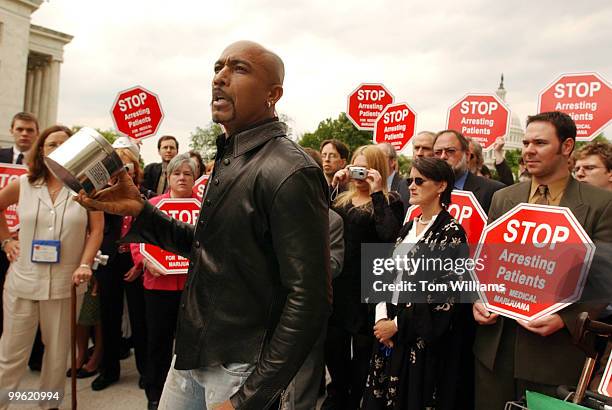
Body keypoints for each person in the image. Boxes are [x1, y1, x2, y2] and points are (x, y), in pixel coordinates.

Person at [75, 40, 330, 410]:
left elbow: (310, 299)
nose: (220, 78)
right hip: (192, 353)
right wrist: (143, 211)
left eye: (239, 69)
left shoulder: (290, 170)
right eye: (217, 68)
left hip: (241, 368)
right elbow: (210, 248)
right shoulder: (231, 155)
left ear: (273, 94)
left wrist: (249, 398)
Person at [472, 111, 612, 409]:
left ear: (567, 147)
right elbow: (487, 261)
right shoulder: (504, 198)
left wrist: (566, 318)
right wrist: (478, 298)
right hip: (494, 350)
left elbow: (604, 277)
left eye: (539, 142)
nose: (528, 151)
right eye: (525, 143)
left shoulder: (601, 204)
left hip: (553, 356)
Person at [0, 125, 104, 409]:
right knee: (11, 356)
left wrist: (85, 263)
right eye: (51, 144)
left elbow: (96, 231)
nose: (58, 149)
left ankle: (47, 405)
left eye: (64, 144)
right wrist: (7, 240)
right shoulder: (23, 184)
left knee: (58, 357)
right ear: (41, 150)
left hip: (65, 286)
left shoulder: (86, 188)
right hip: (23, 282)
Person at [362, 157, 468, 410]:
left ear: (441, 186)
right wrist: (380, 319)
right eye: (410, 180)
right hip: (388, 329)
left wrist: (396, 326)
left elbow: (443, 294)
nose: (411, 185)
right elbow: (388, 274)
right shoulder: (409, 226)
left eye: (419, 181)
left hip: (418, 338)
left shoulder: (452, 232)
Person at [322, 145, 404, 410]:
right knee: (333, 348)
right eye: (354, 168)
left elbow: (389, 235)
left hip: (369, 287)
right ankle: (337, 395)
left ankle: (353, 399)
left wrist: (377, 192)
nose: (357, 175)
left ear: (376, 170)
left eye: (363, 169)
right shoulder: (341, 199)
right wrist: (334, 185)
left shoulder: (390, 201)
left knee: (362, 356)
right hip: (340, 284)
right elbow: (320, 221)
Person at [130, 153, 197, 410]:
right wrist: (144, 260)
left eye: (187, 173)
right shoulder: (152, 206)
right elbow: (137, 239)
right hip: (157, 286)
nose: (182, 178)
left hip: (192, 290)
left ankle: (186, 394)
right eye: (176, 173)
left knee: (188, 344)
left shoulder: (205, 207)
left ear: (194, 178)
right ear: (168, 178)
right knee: (157, 341)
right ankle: (154, 393)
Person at [281, 148, 344, 410]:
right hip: (265, 313)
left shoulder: (331, 221)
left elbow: (334, 265)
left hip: (306, 315)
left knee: (300, 388)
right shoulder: (269, 213)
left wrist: (290, 267)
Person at [92, 146, 148, 392]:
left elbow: (152, 232)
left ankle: (146, 372)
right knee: (109, 317)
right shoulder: (103, 195)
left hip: (138, 262)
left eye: (128, 165)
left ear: (136, 168)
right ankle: (109, 369)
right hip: (110, 261)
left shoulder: (147, 195)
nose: (123, 170)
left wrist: (140, 261)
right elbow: (94, 231)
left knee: (140, 318)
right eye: (118, 166)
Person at [0, 112, 41, 365]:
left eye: (30, 130)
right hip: (4, 240)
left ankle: (36, 356)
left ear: (36, 133)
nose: (24, 134)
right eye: (20, 129)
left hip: (31, 244)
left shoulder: (43, 164)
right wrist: (5, 237)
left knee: (32, 302)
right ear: (12, 130)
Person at [433, 129, 504, 213]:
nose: (443, 157)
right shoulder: (422, 188)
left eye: (450, 151)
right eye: (438, 152)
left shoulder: (493, 191)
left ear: (467, 156)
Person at [377, 142, 409, 212]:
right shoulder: (367, 184)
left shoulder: (406, 186)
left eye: (379, 157)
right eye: (373, 157)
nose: (375, 161)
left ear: (392, 162)